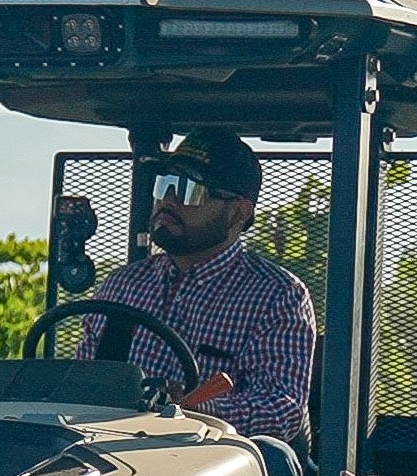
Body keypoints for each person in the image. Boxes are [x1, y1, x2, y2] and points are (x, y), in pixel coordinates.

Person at [75, 133, 315, 449]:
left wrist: (190, 408)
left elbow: (281, 411)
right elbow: (80, 387)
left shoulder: (277, 297)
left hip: (208, 460)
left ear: (239, 213)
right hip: (111, 449)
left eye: (190, 191)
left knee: (274, 453)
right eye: (165, 186)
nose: (168, 201)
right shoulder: (121, 286)